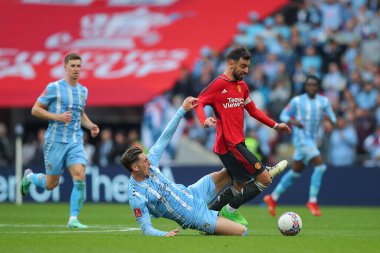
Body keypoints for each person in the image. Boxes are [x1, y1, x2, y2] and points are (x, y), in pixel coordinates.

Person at [120, 96, 247, 236]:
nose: (148, 161)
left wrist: (181, 110)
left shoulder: (151, 163)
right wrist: (164, 234)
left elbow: (165, 136)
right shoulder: (136, 195)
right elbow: (146, 229)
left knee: (232, 170)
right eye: (144, 161)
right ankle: (215, 222)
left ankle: (228, 209)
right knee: (242, 232)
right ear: (135, 168)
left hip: (193, 192)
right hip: (194, 217)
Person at [194, 46, 291, 226]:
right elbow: (198, 103)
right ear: (231, 63)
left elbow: (253, 111)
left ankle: (205, 219)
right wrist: (204, 120)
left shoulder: (242, 86)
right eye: (243, 66)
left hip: (238, 143)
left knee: (240, 183)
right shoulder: (218, 85)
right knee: (265, 178)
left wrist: (275, 125)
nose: (246, 70)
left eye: (248, 66)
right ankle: (230, 211)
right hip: (229, 145)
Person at [20, 52, 100, 228]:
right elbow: (35, 109)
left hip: (75, 141)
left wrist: (91, 125)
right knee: (51, 184)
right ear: (65, 67)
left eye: (79, 66)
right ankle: (30, 177)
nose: (76, 69)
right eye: (73, 66)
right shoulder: (54, 88)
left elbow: (81, 114)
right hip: (55, 141)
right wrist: (57, 116)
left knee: (79, 176)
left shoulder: (83, 91)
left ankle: (73, 219)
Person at [264, 75, 337, 217]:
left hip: (313, 141)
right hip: (301, 140)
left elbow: (333, 118)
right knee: (321, 167)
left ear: (317, 87)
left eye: (314, 85)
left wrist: (330, 122)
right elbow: (284, 115)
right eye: (309, 85)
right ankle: (312, 200)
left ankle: (272, 198)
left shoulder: (324, 102)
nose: (311, 87)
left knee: (295, 173)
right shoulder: (297, 101)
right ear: (305, 86)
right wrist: (293, 121)